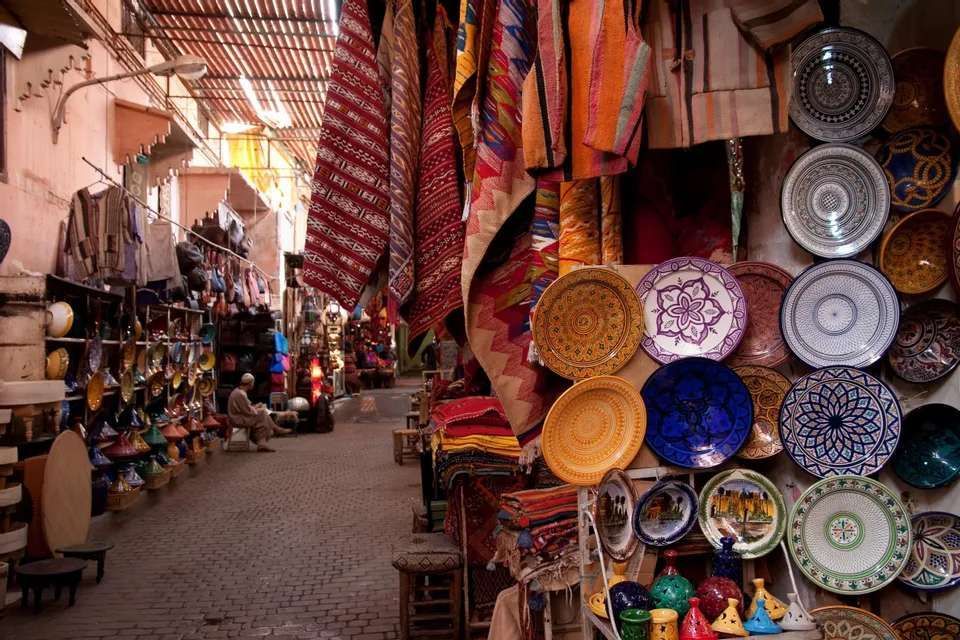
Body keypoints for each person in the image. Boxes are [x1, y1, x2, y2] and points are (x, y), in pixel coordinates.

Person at [227, 373, 291, 452]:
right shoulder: (240, 394)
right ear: (251, 383)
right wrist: (257, 408)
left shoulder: (238, 392)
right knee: (263, 414)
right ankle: (274, 430)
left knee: (262, 415)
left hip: (240, 416)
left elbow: (246, 408)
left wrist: (257, 407)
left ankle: (266, 439)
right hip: (238, 419)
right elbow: (248, 411)